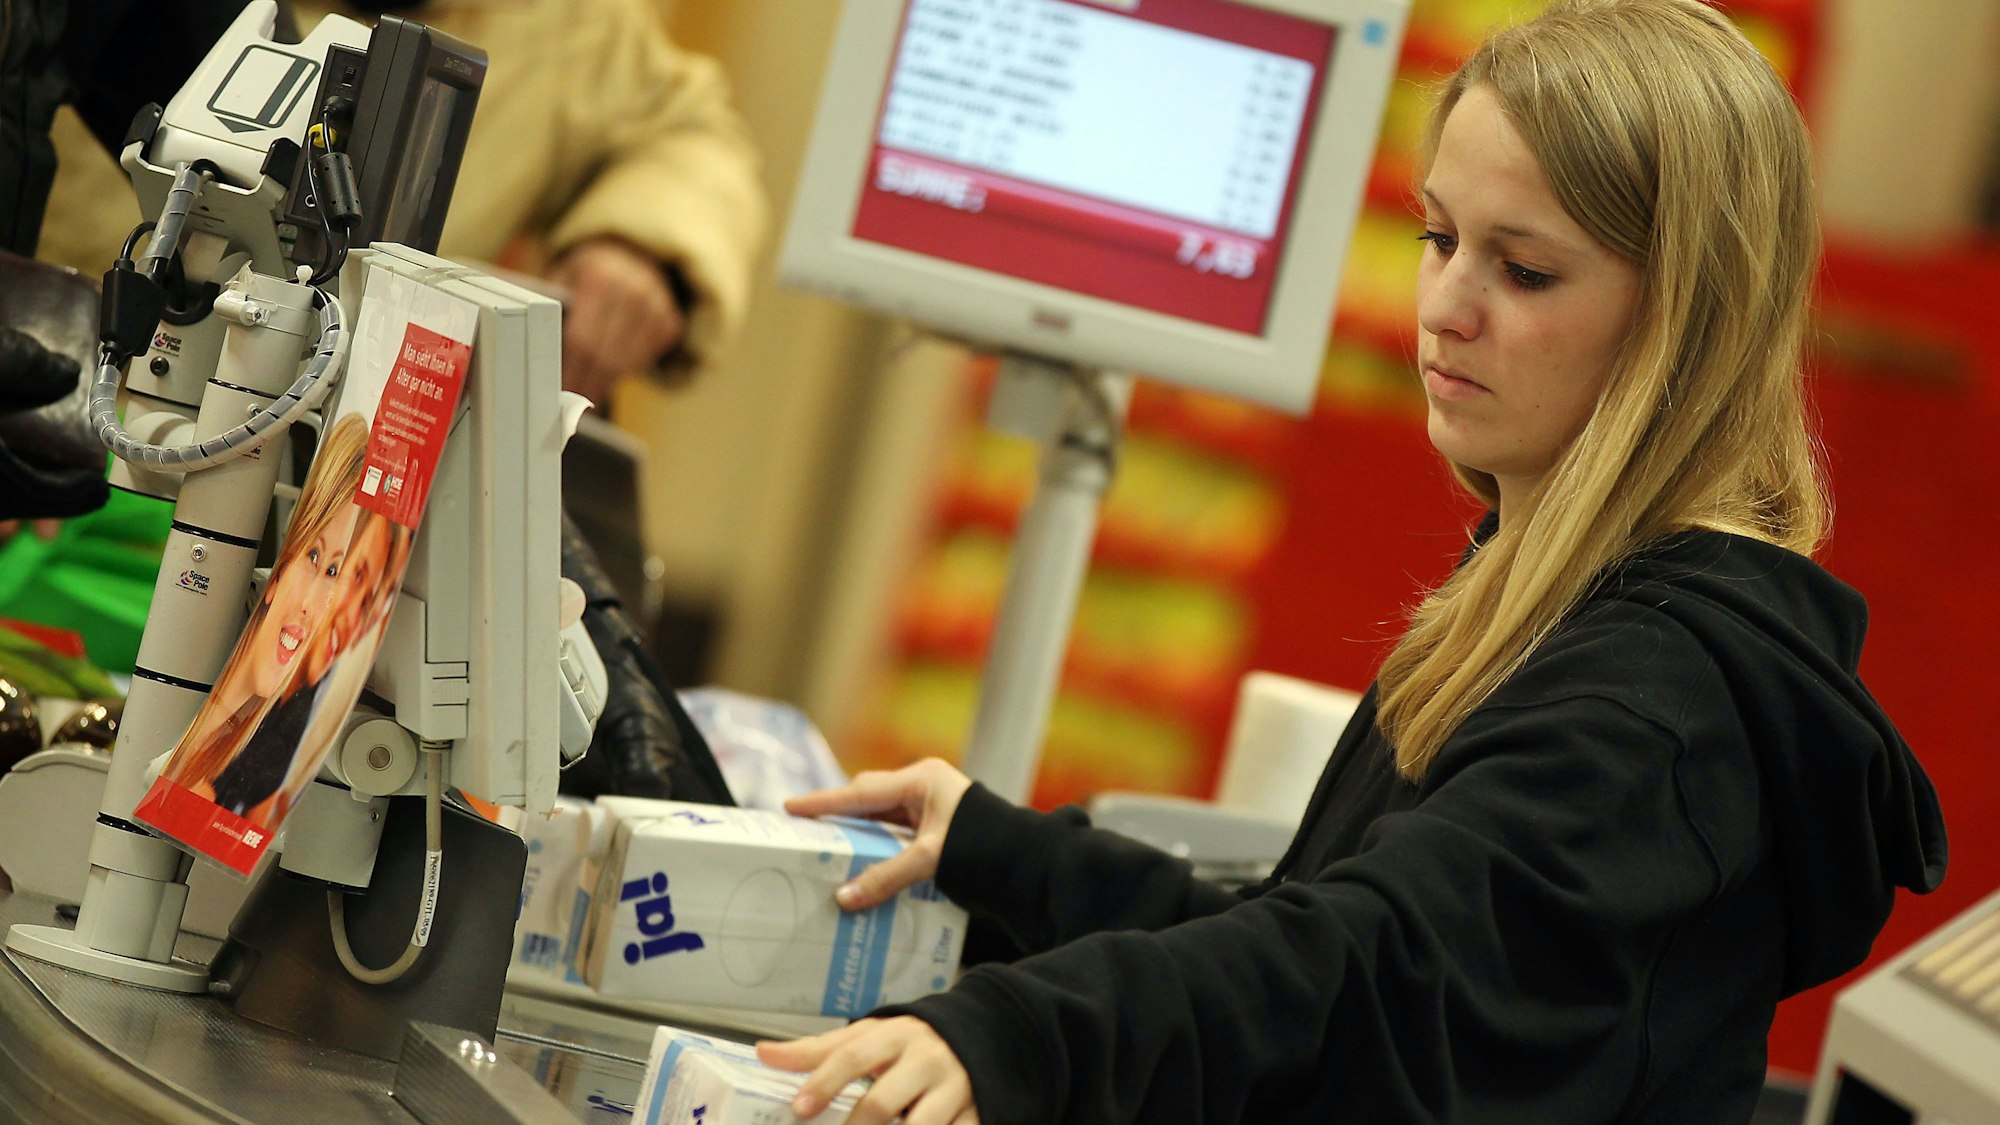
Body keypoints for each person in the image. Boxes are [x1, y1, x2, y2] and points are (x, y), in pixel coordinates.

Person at [754, 2, 1949, 1123]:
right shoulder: (1536, 590)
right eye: (1439, 239)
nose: (1442, 306)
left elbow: (1362, 967)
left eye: (1521, 270)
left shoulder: (1654, 702)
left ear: (1686, 319)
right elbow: (1301, 927)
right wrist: (996, 850)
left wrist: (1020, 1036)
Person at [38, 0, 768, 407]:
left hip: (314, 464)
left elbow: (688, 139)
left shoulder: (572, 23)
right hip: (58, 389)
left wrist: (641, 247)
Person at [164, 413, 370, 799]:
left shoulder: (238, 775)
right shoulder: (203, 761)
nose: (313, 608)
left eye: (340, 578)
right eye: (316, 560)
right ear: (277, 574)